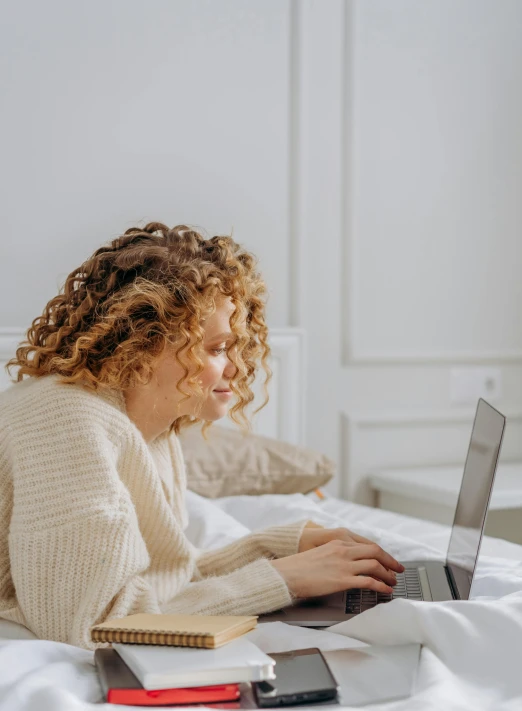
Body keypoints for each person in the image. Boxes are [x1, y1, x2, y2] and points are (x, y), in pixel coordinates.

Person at [0, 222, 403, 650]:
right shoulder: (68, 422)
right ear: (142, 343)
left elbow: (165, 580)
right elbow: (96, 624)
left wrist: (280, 547)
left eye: (236, 347)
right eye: (216, 349)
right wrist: (284, 579)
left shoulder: (153, 430)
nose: (239, 368)